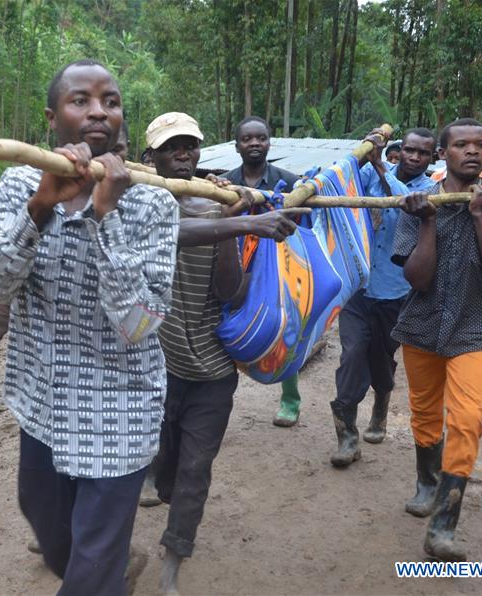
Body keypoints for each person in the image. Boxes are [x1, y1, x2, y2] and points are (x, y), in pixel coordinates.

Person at [0, 59, 179, 595]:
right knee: (46, 523)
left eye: (110, 101)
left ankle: (102, 576)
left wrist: (106, 219)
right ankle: (111, 574)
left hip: (120, 412)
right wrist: (41, 207)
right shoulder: (20, 184)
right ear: (52, 117)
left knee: (87, 568)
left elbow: (139, 324)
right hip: (44, 403)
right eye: (80, 100)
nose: (98, 112)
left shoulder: (154, 203)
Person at [143, 112, 300, 593]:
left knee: (196, 468)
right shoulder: (141, 204)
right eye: (173, 148)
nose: (184, 154)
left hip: (211, 370)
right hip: (158, 366)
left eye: (191, 145)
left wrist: (232, 223)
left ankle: (174, 557)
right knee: (164, 468)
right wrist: (239, 221)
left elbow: (230, 293)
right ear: (151, 158)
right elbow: (168, 235)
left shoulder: (217, 203)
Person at [392, 118, 482, 561]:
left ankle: (444, 525)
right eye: (461, 144)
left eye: (480, 144)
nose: (472, 151)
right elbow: (417, 278)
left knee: (467, 419)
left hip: (477, 324)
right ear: (441, 154)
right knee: (425, 412)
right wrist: (427, 222)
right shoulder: (418, 202)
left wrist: (480, 215)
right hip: (423, 322)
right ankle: (427, 482)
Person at [0, 122, 132, 366]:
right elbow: (6, 278)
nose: (103, 162)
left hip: (113, 368)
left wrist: (108, 217)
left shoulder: (141, 203)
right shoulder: (27, 188)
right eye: (94, 152)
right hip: (41, 371)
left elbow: (141, 316)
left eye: (114, 151)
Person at [328, 128, 437, 467]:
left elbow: (407, 204)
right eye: (409, 150)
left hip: (396, 293)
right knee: (352, 353)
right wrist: (365, 149)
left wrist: (379, 166)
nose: (414, 157)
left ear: (431, 157)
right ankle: (347, 436)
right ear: (398, 150)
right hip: (358, 287)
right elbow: (342, 175)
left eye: (422, 153)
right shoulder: (371, 172)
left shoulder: (430, 190)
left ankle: (381, 404)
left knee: (382, 359)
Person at [221, 116, 303, 427]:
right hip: (235, 266)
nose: (255, 143)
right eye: (247, 139)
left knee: (285, 328)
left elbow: (301, 225)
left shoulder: (290, 181)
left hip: (278, 266)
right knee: (226, 331)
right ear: (237, 145)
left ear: (270, 142)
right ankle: (221, 405)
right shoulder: (224, 182)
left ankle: (290, 399)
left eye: (261, 138)